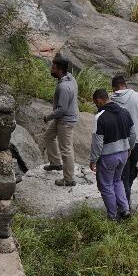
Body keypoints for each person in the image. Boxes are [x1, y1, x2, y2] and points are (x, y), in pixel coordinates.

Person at [89, 87, 134, 221]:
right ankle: (125, 209)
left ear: (99, 100)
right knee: (117, 180)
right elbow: (133, 134)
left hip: (108, 157)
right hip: (124, 154)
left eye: (96, 103)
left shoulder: (99, 117)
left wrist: (93, 160)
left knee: (106, 185)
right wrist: (129, 149)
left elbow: (97, 143)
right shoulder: (125, 112)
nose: (96, 106)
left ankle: (112, 216)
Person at [110, 74, 138, 204]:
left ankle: (125, 207)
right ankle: (125, 201)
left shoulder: (111, 101)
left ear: (114, 88)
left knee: (123, 175)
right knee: (128, 172)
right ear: (125, 84)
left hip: (120, 144)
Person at [41, 55, 78, 187]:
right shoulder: (70, 78)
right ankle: (56, 163)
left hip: (65, 121)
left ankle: (69, 179)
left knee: (66, 149)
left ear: (59, 70)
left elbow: (61, 109)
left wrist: (48, 117)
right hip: (61, 119)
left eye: (53, 68)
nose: (51, 69)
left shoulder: (64, 87)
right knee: (49, 137)